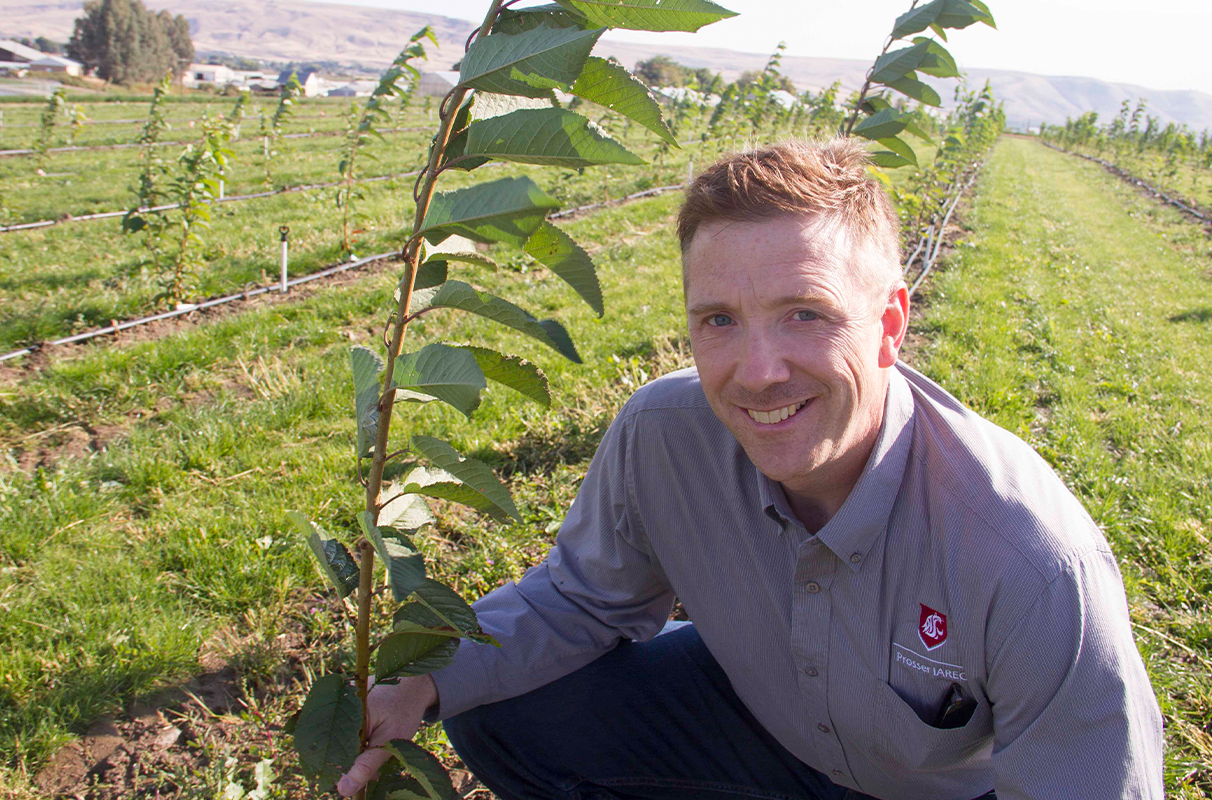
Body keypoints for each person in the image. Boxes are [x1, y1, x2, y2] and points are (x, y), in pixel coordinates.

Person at [337, 138, 1163, 800]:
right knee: (500, 706)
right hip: (767, 722)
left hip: (934, 792)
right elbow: (582, 597)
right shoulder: (665, 435)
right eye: (720, 320)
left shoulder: (1031, 563)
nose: (758, 370)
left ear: (890, 323)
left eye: (805, 314)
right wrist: (422, 683)